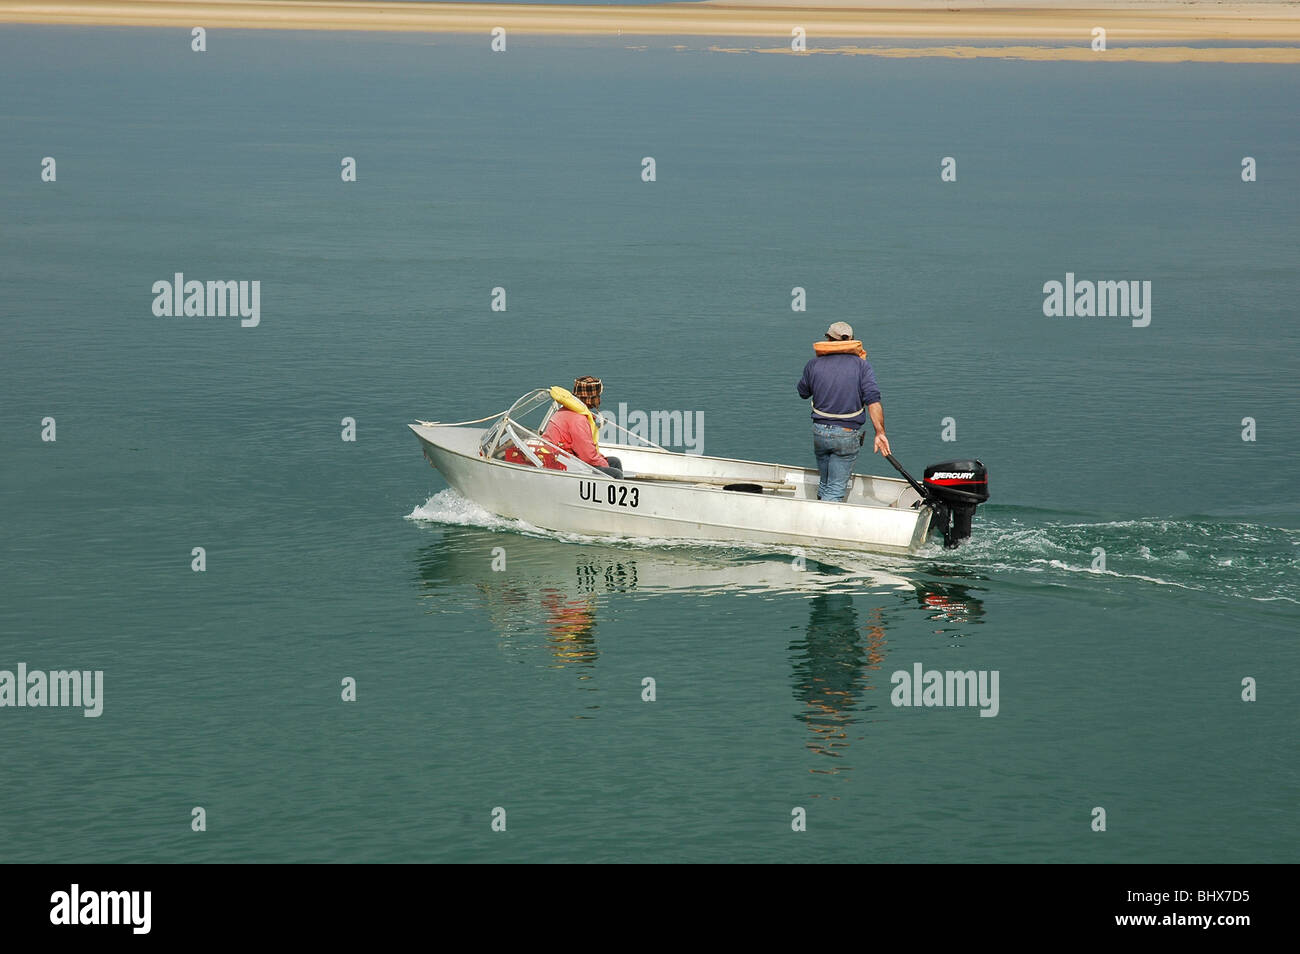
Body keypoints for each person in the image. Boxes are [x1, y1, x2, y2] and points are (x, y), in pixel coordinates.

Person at [796, 322, 891, 501]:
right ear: (852, 340)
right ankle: (823, 528)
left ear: (829, 339)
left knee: (825, 484)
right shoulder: (863, 367)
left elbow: (803, 392)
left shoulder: (813, 365)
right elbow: (873, 401)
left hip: (820, 432)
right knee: (834, 491)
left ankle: (818, 516)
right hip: (846, 434)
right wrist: (880, 432)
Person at [543, 376, 624, 478]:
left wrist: (602, 461)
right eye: (598, 396)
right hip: (564, 464)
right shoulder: (578, 419)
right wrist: (605, 465)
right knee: (616, 474)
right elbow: (588, 457)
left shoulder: (565, 410)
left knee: (615, 462)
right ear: (591, 399)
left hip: (562, 458)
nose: (599, 400)